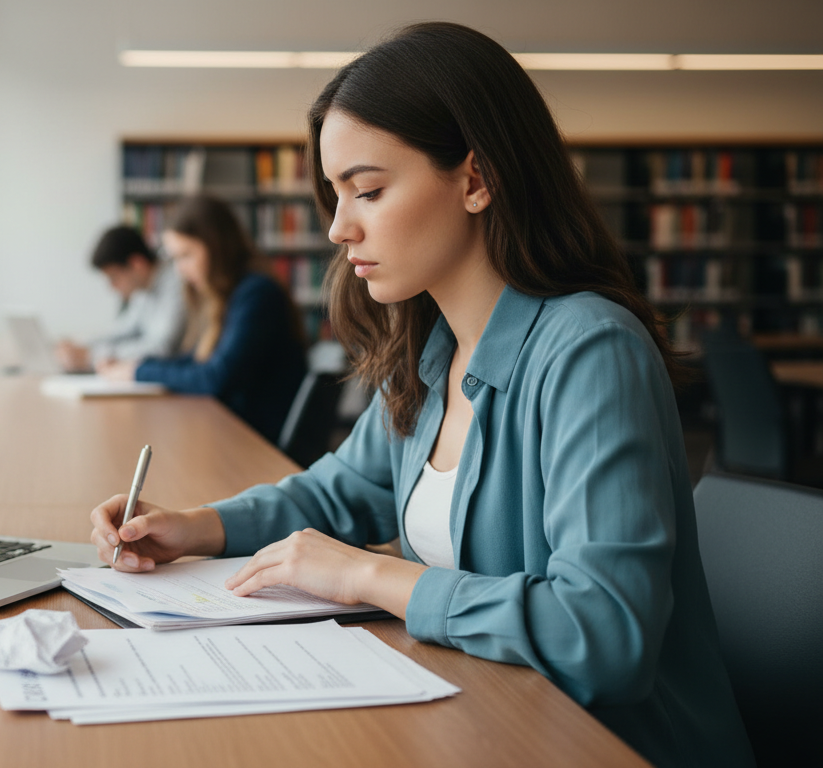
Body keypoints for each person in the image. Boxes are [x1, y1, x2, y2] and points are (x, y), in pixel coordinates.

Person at [88, 22, 753, 768]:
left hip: (609, 746)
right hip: (488, 720)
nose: (339, 228)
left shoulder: (589, 351)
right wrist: (194, 526)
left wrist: (367, 573)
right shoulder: (432, 349)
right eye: (336, 195)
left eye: (367, 189)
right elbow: (340, 493)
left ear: (475, 179)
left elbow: (602, 635)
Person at [97, 196, 307, 445]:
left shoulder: (257, 293)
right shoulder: (227, 295)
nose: (180, 270)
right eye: (175, 258)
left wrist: (139, 371)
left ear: (217, 247)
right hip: (233, 429)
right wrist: (137, 365)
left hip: (255, 440)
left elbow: (216, 378)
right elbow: (196, 359)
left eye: (186, 255)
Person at [55, 225, 186, 372]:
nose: (112, 287)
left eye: (114, 277)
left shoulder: (177, 280)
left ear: (137, 264)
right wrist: (80, 344)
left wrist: (91, 356)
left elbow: (162, 348)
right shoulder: (143, 291)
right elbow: (123, 330)